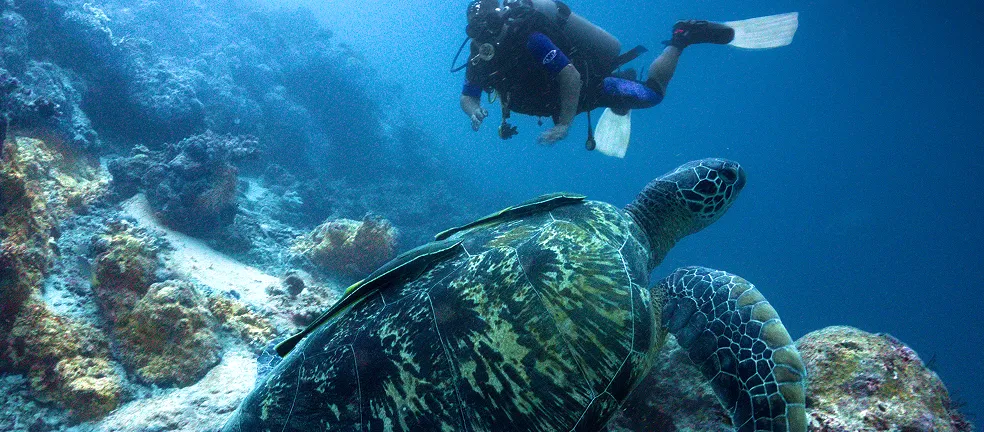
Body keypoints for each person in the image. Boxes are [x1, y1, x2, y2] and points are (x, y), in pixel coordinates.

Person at [457, 0, 797, 148]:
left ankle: (683, 37)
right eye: (477, 31)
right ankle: (621, 95)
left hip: (589, 88)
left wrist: (564, 124)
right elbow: (468, 94)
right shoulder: (479, 57)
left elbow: (570, 77)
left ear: (501, 23)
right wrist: (475, 111)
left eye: (488, 29)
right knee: (624, 96)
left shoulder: (532, 39)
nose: (484, 38)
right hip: (560, 101)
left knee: (650, 95)